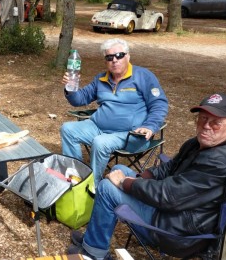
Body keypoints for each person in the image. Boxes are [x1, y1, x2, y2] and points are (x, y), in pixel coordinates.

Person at [67, 93, 226, 260]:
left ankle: (93, 254)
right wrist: (142, 176)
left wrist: (125, 182)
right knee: (122, 168)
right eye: (202, 118)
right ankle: (94, 239)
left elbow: (169, 196)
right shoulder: (200, 144)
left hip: (179, 232)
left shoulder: (220, 163)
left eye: (216, 123)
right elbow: (170, 168)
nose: (206, 126)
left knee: (109, 188)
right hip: (178, 211)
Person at [60, 38, 168, 184]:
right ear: (105, 61)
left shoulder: (143, 76)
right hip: (98, 127)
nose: (114, 60)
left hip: (131, 135)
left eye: (119, 55)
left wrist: (150, 125)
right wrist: (70, 88)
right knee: (67, 129)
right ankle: (75, 177)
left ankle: (93, 186)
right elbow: (79, 100)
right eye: (109, 57)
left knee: (100, 142)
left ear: (128, 56)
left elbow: (159, 103)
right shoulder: (101, 79)